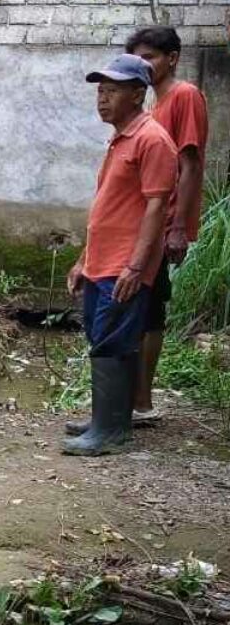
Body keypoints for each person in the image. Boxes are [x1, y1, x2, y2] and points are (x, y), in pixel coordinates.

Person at [63, 54, 177, 457]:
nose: (102, 98)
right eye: (100, 91)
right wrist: (83, 260)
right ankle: (109, 419)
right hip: (103, 260)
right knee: (104, 336)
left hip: (124, 263)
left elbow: (156, 208)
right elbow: (108, 208)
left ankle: (109, 430)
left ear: (137, 94)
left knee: (113, 338)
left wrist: (136, 265)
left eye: (112, 91)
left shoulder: (152, 140)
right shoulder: (121, 139)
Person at [126, 25, 209, 424]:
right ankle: (131, 398)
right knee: (139, 307)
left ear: (172, 58)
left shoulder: (184, 96)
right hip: (148, 221)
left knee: (150, 309)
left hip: (164, 223)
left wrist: (178, 227)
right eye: (137, 59)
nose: (143, 65)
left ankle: (141, 403)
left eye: (150, 58)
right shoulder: (155, 102)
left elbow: (190, 164)